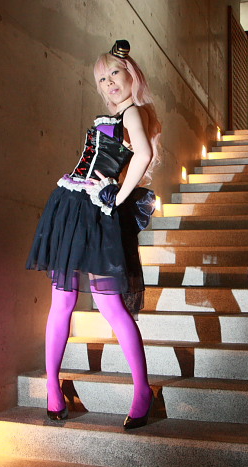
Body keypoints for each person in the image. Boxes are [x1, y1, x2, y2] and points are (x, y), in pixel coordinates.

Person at [25, 40, 161, 429]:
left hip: (96, 210)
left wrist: (117, 196)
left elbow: (144, 154)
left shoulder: (133, 111)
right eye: (102, 78)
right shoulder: (118, 115)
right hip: (72, 205)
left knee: (107, 305)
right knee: (63, 301)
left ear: (131, 74)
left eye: (114, 73)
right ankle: (53, 388)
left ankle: (141, 391)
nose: (109, 83)